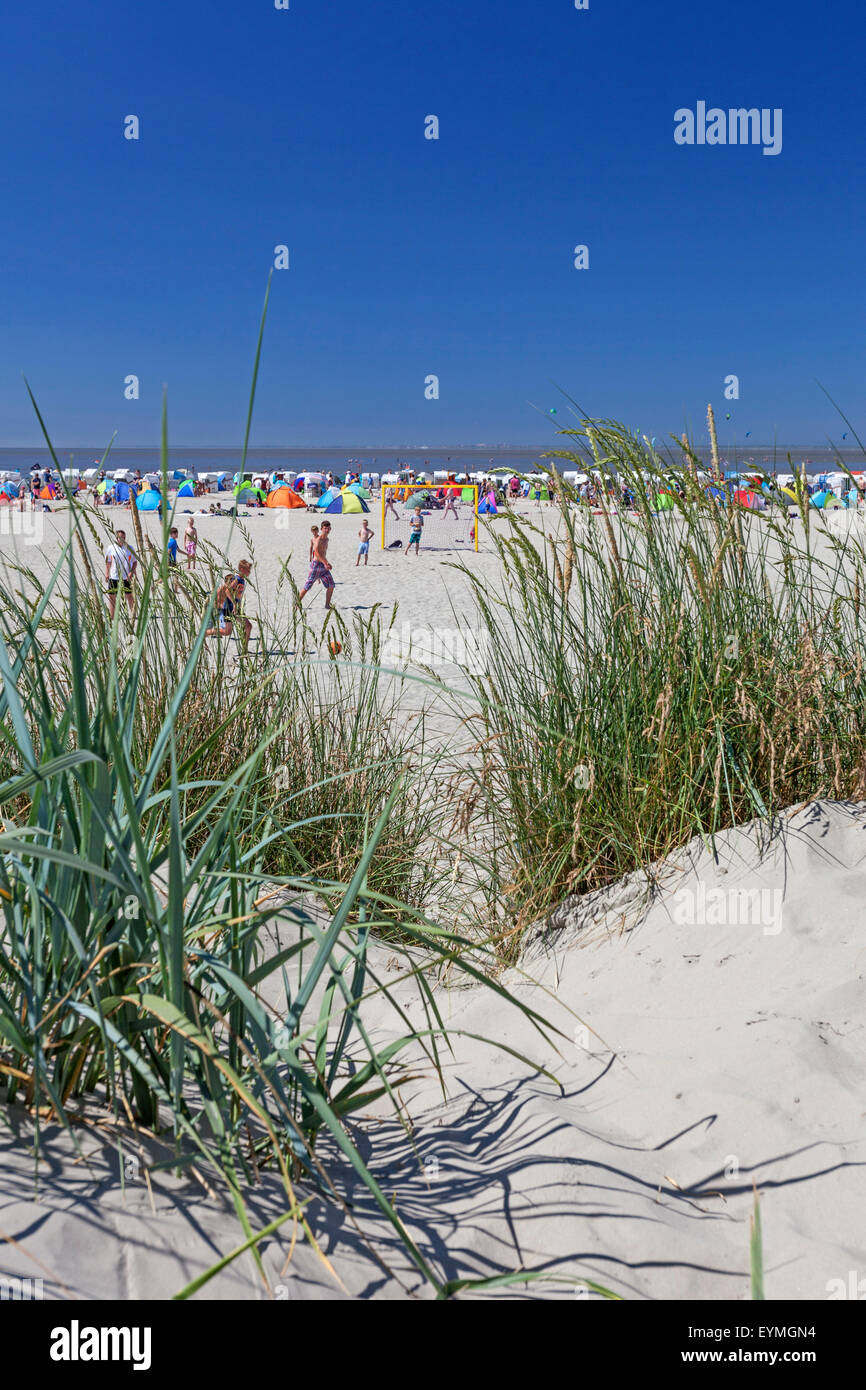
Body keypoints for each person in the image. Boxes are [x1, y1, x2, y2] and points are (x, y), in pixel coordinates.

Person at [299, 519, 335, 608]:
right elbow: (317, 553)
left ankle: (327, 605)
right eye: (325, 528)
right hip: (316, 565)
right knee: (308, 586)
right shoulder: (318, 539)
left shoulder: (327, 539)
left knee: (331, 585)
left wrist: (327, 562)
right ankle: (296, 603)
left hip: (323, 565)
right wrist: (325, 563)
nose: (327, 530)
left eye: (328, 528)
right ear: (322, 529)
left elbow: (323, 553)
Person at [104, 529, 138, 619]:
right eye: (120, 538)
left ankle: (133, 615)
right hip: (114, 576)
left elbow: (135, 562)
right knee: (112, 597)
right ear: (116, 538)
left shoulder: (130, 548)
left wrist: (131, 572)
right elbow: (108, 561)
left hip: (126, 577)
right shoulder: (111, 548)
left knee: (129, 596)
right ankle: (112, 616)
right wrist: (107, 573)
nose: (122, 539)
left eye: (124, 537)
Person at [207, 574, 239, 638]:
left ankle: (217, 633)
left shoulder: (229, 589)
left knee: (224, 627)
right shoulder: (224, 589)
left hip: (221, 609)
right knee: (209, 627)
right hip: (215, 609)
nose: (234, 583)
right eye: (232, 581)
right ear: (227, 581)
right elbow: (217, 602)